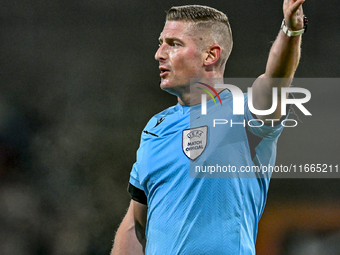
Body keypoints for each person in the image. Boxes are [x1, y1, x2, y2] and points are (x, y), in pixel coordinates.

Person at [111, 0, 306, 254]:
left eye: (174, 44)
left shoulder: (244, 114)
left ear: (210, 55)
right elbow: (136, 224)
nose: (159, 54)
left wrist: (291, 31)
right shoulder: (154, 129)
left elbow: (275, 80)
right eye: (161, 43)